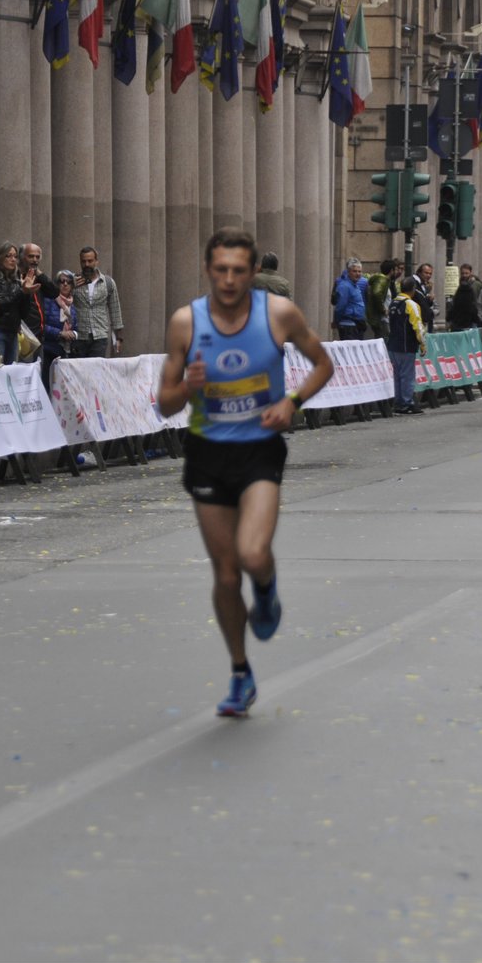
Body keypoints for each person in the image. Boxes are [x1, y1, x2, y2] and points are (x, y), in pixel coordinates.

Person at [156, 228, 334, 718]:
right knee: (226, 572)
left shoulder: (278, 315)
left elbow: (323, 363)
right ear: (208, 270)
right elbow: (163, 403)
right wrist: (188, 388)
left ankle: (269, 589)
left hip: (259, 450)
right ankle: (240, 671)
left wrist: (291, 402)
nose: (229, 279)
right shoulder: (185, 323)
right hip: (207, 453)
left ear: (253, 273)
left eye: (239, 270)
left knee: (253, 553)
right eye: (220, 270)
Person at [0, 241, 32, 365]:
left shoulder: (16, 279)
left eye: (15, 256)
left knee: (11, 372)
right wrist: (21, 291)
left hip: (13, 331)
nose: (13, 259)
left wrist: (27, 293)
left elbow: (24, 313)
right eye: (8, 256)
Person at [72, 246, 124, 357]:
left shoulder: (108, 283)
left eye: (90, 261)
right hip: (79, 334)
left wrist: (119, 337)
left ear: (96, 261)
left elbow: (115, 309)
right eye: (83, 261)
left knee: (96, 369)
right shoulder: (74, 281)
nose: (87, 264)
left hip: (100, 335)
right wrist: (72, 286)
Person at [386, 275, 427, 414]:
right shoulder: (411, 305)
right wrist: (422, 344)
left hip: (392, 345)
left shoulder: (393, 303)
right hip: (406, 345)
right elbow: (418, 326)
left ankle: (398, 402)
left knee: (397, 375)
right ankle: (407, 402)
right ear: (413, 289)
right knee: (407, 375)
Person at [40, 270, 78, 385]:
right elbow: (41, 325)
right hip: (49, 349)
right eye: (62, 281)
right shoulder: (48, 301)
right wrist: (60, 333)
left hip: (65, 351)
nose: (65, 284)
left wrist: (74, 334)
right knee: (48, 383)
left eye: (69, 282)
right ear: (57, 284)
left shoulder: (72, 306)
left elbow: (76, 327)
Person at [332, 258, 366, 339]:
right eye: (354, 271)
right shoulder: (345, 286)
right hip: (349, 326)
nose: (357, 274)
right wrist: (336, 321)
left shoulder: (354, 285)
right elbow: (340, 306)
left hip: (356, 325)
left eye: (359, 271)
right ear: (348, 272)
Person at [446, 263, 480, 331]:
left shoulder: (477, 284)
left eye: (466, 273)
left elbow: (478, 301)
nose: (464, 275)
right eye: (463, 273)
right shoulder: (457, 284)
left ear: (470, 273)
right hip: (458, 318)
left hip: (471, 318)